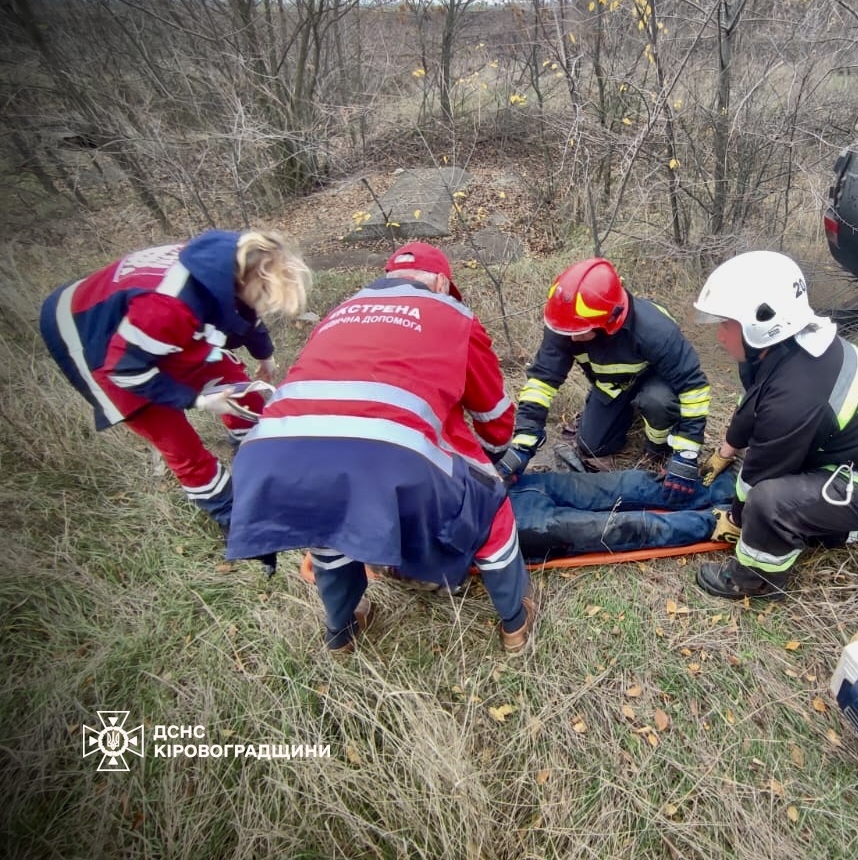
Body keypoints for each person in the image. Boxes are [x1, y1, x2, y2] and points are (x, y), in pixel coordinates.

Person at [225, 242, 535, 654]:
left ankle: (342, 632)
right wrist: (497, 459)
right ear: (443, 282)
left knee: (325, 522)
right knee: (491, 506)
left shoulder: (340, 311)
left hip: (272, 453)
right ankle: (516, 621)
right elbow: (493, 413)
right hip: (387, 455)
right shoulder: (454, 315)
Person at [690, 250, 858, 600]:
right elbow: (752, 406)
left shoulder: (794, 396)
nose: (720, 336)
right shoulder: (787, 348)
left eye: (726, 324)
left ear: (762, 323)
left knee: (768, 502)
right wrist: (726, 450)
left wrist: (738, 520)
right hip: (854, 450)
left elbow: (759, 477)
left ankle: (755, 579)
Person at [39, 230, 310, 531]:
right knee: (172, 433)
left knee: (232, 380)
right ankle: (231, 515)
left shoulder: (236, 262)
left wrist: (265, 355)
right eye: (264, 295)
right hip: (90, 334)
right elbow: (125, 370)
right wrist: (199, 400)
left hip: (146, 324)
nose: (264, 304)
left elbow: (248, 312)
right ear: (245, 280)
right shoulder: (169, 306)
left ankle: (254, 451)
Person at [498, 257, 711, 502]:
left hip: (657, 380)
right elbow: (542, 381)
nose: (572, 339)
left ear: (609, 321)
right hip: (613, 385)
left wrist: (686, 453)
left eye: (579, 332)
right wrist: (524, 441)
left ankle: (657, 447)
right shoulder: (566, 322)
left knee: (657, 402)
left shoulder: (654, 330)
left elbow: (693, 386)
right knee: (593, 446)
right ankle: (620, 415)